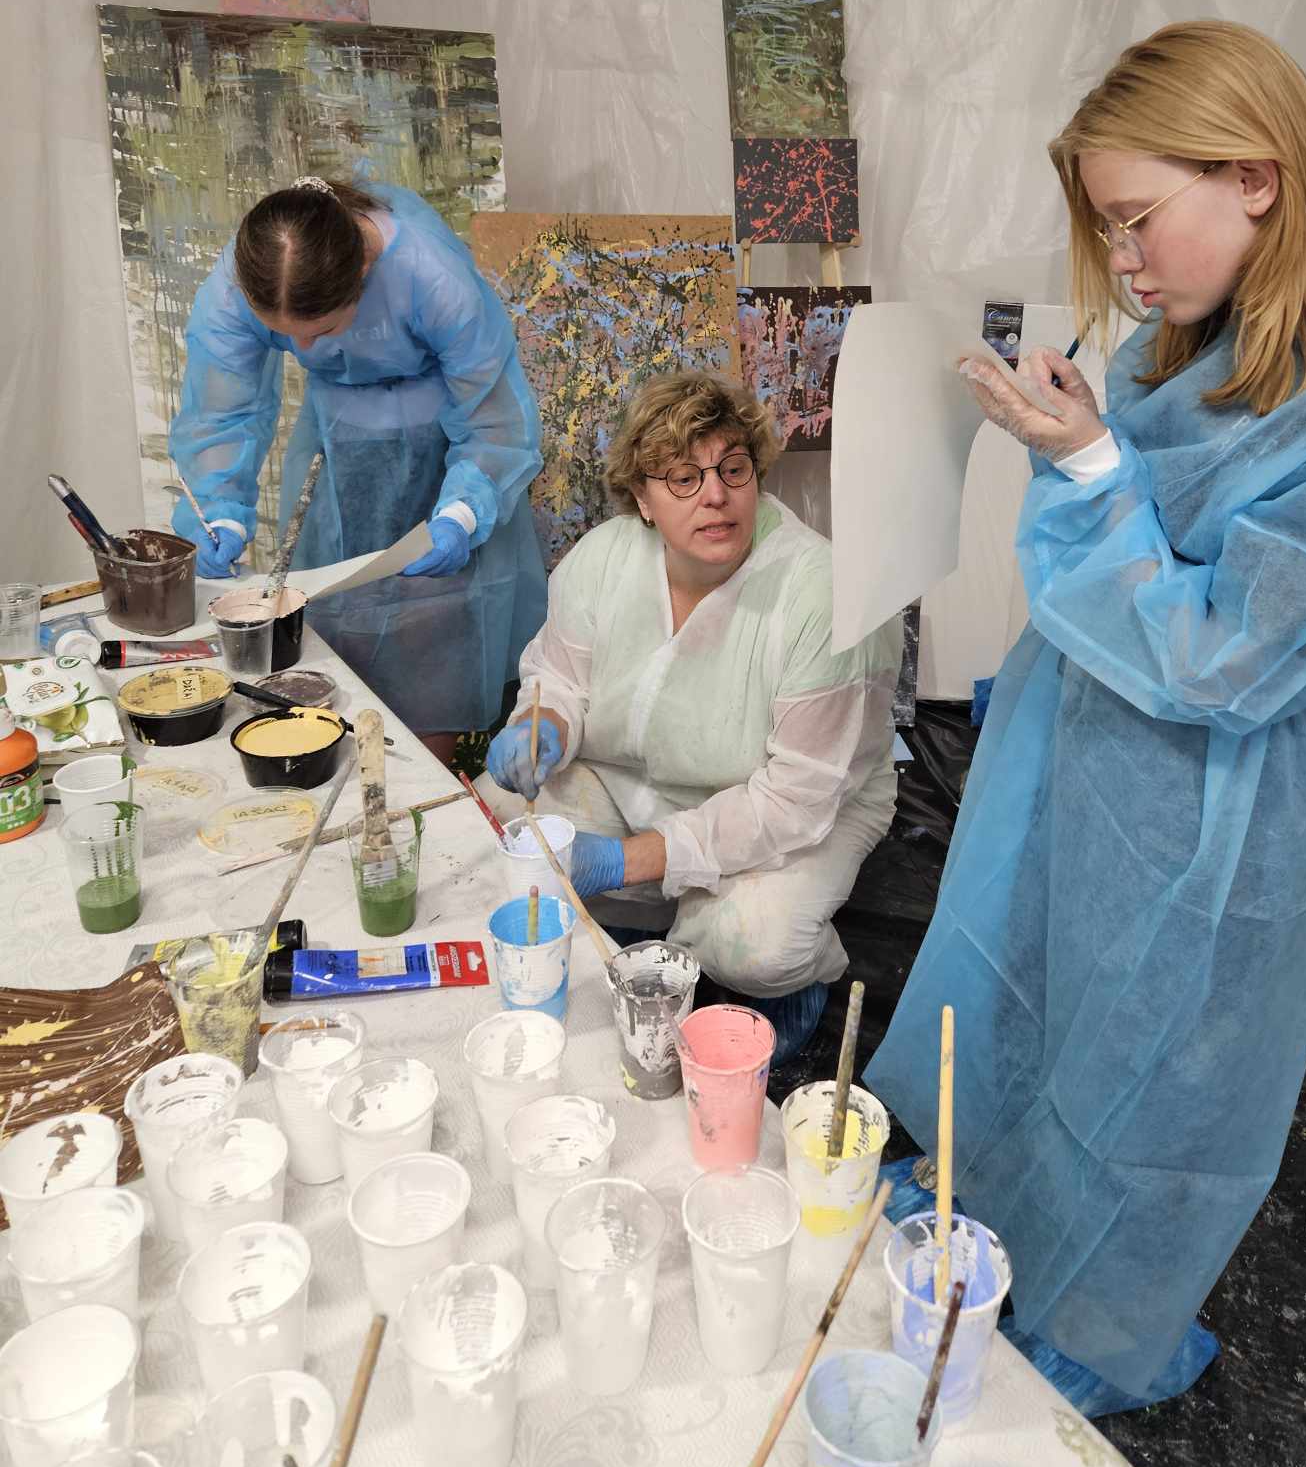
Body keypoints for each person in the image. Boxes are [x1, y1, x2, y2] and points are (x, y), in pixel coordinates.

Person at [866, 21, 1306, 1417]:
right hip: (1073, 758)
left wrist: (1090, 468)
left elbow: (1222, 661)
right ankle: (983, 1203)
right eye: (1105, 227)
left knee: (1147, 1079)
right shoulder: (1177, 344)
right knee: (1019, 990)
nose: (1124, 262)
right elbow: (1126, 542)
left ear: (1256, 176)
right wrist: (1093, 433)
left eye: (1137, 218)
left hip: (1210, 824)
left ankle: (1098, 1320)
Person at [483, 370, 903, 1062]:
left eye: (733, 469)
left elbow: (793, 799)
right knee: (508, 815)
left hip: (794, 806)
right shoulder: (604, 560)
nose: (716, 495)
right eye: (683, 478)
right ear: (642, 500)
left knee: (758, 943)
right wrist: (543, 726)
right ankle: (656, 922)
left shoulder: (820, 598)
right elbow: (559, 679)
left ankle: (789, 988)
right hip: (635, 779)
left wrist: (624, 860)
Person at [170, 176, 547, 761]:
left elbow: (493, 421)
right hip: (335, 447)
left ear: (364, 277)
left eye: (321, 332)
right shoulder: (242, 281)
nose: (306, 351)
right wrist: (218, 506)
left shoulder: (432, 277)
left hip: (446, 452)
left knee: (435, 626)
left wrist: (464, 510)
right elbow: (222, 409)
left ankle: (426, 777)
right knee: (336, 621)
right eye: (285, 338)